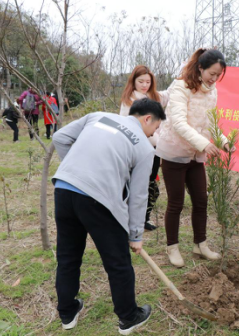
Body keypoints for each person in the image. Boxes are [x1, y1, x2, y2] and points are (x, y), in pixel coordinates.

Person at [52, 98, 166, 334]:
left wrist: (78, 170)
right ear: (147, 118)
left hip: (64, 188)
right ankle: (128, 317)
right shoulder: (145, 149)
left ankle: (67, 313)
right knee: (118, 262)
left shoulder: (97, 116)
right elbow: (138, 196)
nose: (154, 134)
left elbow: (59, 138)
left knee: (68, 256)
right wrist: (135, 235)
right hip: (97, 200)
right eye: (156, 128)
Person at [156, 48, 231, 268]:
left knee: (201, 199)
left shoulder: (212, 91)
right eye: (212, 73)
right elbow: (178, 123)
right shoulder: (181, 87)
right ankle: (172, 247)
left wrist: (223, 140)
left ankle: (201, 244)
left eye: (218, 75)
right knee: (176, 203)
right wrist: (205, 145)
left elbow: (210, 123)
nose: (214, 78)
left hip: (196, 154)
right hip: (175, 153)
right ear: (200, 68)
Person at [120, 65, 170, 231]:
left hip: (155, 148)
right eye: (140, 81)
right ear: (133, 81)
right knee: (135, 184)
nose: (144, 85)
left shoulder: (155, 97)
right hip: (137, 149)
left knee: (150, 183)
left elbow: (171, 93)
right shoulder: (129, 100)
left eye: (148, 82)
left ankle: (144, 218)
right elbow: (126, 125)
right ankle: (128, 218)